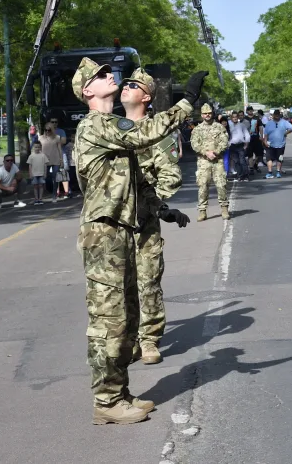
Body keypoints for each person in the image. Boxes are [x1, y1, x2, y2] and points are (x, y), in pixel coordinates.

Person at [73, 57, 200, 425]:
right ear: (87, 91)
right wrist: (185, 101)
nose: (109, 76)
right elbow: (145, 133)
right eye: (99, 76)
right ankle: (106, 402)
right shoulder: (96, 125)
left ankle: (120, 392)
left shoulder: (113, 129)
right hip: (104, 233)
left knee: (126, 317)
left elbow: (139, 185)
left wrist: (163, 209)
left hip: (123, 230)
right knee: (108, 321)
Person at [121, 68, 184, 365]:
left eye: (133, 85)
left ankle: (149, 339)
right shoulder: (113, 128)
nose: (125, 87)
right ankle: (130, 338)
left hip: (145, 220)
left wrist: (157, 204)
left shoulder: (159, 133)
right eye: (125, 83)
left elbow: (170, 175)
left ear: (146, 96)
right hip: (117, 223)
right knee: (122, 286)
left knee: (148, 283)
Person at [190, 104, 230, 221]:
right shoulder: (197, 129)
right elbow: (194, 144)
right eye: (205, 113)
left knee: (221, 185)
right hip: (203, 161)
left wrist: (216, 152)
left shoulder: (219, 127)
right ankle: (202, 211)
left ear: (212, 114)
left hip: (218, 160)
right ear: (202, 115)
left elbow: (225, 141)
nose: (207, 115)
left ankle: (224, 208)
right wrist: (205, 152)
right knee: (203, 186)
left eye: (209, 113)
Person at [263, 109, 292, 178]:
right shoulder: (269, 123)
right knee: (269, 158)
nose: (277, 116)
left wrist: (286, 133)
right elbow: (265, 134)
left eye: (278, 115)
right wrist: (265, 142)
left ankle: (278, 172)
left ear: (280, 115)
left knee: (279, 158)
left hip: (281, 144)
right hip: (270, 144)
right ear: (273, 115)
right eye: (276, 115)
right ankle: (270, 172)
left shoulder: (284, 122)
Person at [38, 122, 66, 202]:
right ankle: (42, 195)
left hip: (55, 159)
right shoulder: (40, 138)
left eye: (49, 130)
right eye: (45, 130)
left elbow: (60, 149)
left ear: (52, 130)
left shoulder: (57, 137)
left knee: (55, 177)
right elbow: (37, 149)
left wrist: (61, 160)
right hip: (44, 160)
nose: (47, 131)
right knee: (45, 177)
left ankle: (54, 195)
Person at [227, 110, 251, 181]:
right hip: (232, 146)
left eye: (236, 117)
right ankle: (240, 175)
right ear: (231, 118)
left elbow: (247, 135)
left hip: (241, 145)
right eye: (233, 117)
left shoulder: (242, 125)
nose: (234, 118)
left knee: (242, 161)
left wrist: (246, 144)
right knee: (236, 161)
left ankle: (246, 175)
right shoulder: (229, 126)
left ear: (238, 117)